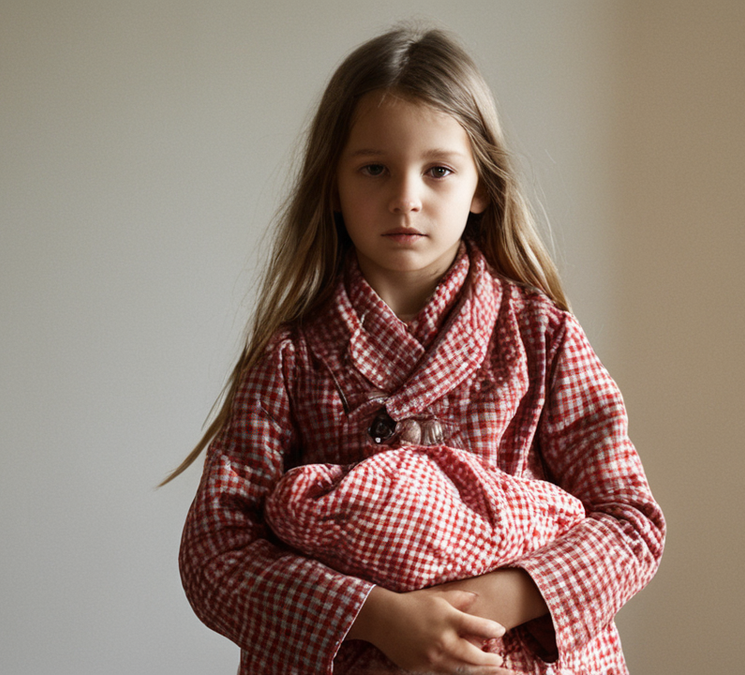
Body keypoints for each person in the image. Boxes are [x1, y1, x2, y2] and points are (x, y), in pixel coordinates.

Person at [163, 25, 666, 675]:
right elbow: (215, 552)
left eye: (438, 170)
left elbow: (631, 522)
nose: (406, 197)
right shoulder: (290, 358)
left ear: (481, 185)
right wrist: (377, 616)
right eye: (375, 168)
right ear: (334, 187)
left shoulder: (542, 338)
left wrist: (493, 601)